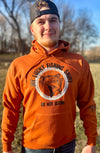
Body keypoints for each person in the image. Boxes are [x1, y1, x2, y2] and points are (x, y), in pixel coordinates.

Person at [1, 0, 97, 153]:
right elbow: (10, 108)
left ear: (59, 24)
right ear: (32, 29)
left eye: (53, 20)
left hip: (67, 145)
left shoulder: (79, 62)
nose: (48, 26)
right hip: (33, 148)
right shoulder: (19, 65)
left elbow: (87, 104)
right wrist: (6, 147)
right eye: (41, 21)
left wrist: (91, 141)